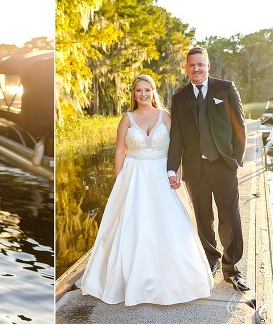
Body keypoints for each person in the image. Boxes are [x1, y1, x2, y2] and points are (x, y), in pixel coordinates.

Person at [79, 75, 213, 305]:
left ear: (153, 92)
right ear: (133, 93)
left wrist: (177, 171)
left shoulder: (166, 117)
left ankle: (177, 281)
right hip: (135, 175)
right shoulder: (127, 118)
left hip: (162, 173)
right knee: (134, 224)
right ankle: (131, 280)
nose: (143, 94)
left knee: (167, 223)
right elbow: (120, 150)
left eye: (147, 90)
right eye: (138, 91)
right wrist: (119, 179)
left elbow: (177, 147)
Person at [167, 47, 249, 292]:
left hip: (223, 165)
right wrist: (172, 169)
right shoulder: (179, 97)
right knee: (203, 219)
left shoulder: (225, 88)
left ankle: (232, 269)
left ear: (208, 65)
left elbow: (240, 127)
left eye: (200, 65)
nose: (196, 69)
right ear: (186, 67)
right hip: (195, 169)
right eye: (191, 65)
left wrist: (235, 160)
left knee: (230, 218)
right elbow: (177, 136)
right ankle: (210, 261)